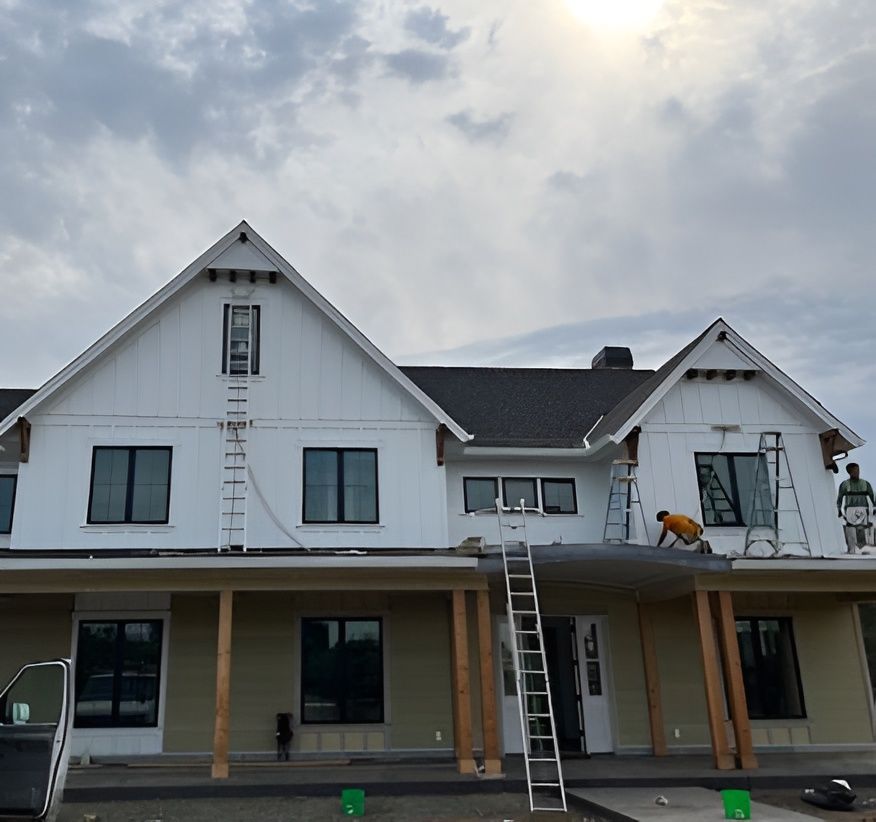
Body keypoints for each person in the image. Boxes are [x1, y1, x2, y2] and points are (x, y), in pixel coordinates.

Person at [837, 463, 875, 553]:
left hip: (862, 510)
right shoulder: (844, 484)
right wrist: (839, 510)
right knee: (850, 532)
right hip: (850, 511)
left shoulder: (865, 484)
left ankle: (862, 551)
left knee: (861, 532)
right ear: (849, 472)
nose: (857, 472)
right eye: (855, 471)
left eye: (858, 470)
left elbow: (873, 497)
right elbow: (839, 498)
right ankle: (851, 551)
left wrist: (874, 508)